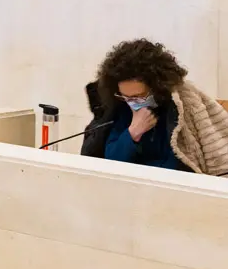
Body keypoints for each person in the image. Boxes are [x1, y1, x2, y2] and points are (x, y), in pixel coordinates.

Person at [80, 38, 228, 175]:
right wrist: (133, 133)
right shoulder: (123, 110)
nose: (133, 102)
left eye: (139, 96)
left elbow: (179, 164)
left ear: (156, 87)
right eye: (126, 97)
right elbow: (110, 161)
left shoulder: (176, 109)